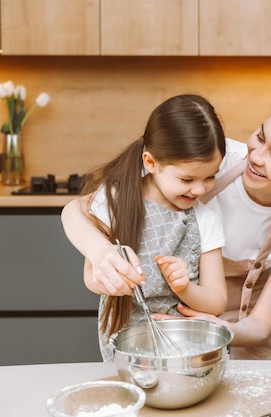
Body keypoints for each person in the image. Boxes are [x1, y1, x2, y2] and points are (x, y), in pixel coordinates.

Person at [62, 95, 271, 360]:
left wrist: (213, 329)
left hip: (237, 341)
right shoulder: (211, 157)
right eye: (260, 137)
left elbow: (261, 324)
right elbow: (78, 210)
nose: (256, 157)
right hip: (154, 337)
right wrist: (99, 254)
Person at [74, 94, 228, 361]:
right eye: (187, 178)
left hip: (185, 348)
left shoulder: (205, 220)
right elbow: (91, 276)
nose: (200, 189)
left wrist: (185, 289)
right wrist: (109, 280)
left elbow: (217, 302)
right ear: (151, 163)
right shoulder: (113, 202)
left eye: (210, 177)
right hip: (125, 346)